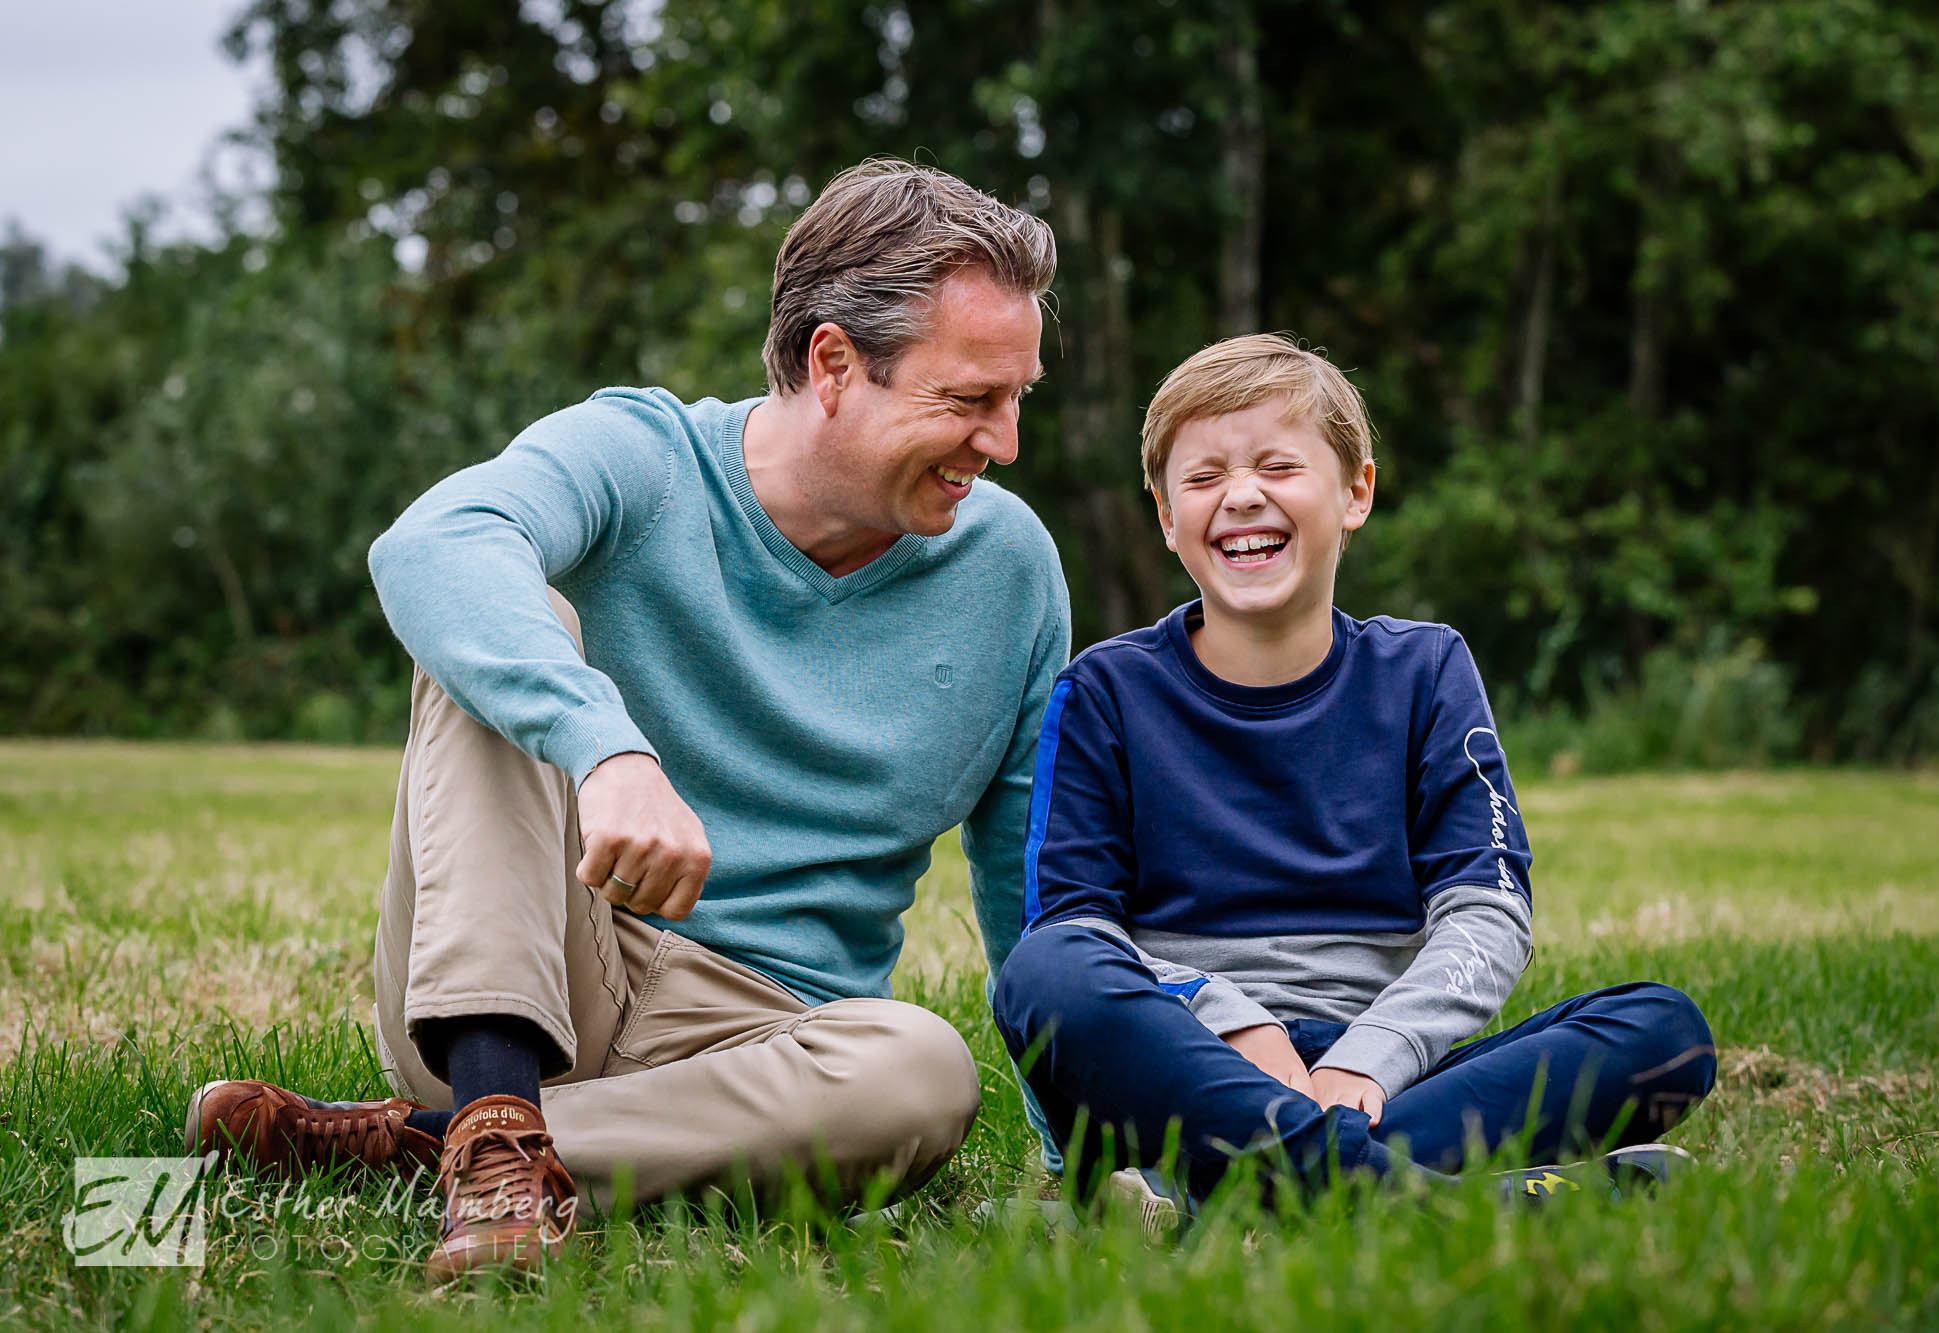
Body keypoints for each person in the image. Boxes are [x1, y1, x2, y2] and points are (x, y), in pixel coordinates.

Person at [185, 159, 1069, 1280]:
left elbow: (1030, 886)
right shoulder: (643, 457)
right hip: (547, 972)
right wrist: (604, 744)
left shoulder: (1010, 569)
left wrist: (1071, 1155)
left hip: (769, 1047)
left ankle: (447, 1156)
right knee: (507, 618)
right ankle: (492, 1110)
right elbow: (431, 546)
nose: (1001, 444)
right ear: (833, 362)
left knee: (922, 1071)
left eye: (1015, 400)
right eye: (966, 401)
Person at [993, 334, 1715, 1210]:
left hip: (1383, 1073)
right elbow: (1075, 927)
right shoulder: (1106, 689)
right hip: (1176, 1070)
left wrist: (1366, 1057)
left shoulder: (1425, 671)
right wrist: (1235, 1021)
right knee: (1044, 973)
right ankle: (1441, 1199)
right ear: (1165, 516)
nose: (1243, 496)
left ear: (1356, 493)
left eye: (1277, 466)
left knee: (1662, 1030)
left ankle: (1219, 1192)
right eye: (1205, 476)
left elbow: (1487, 910)